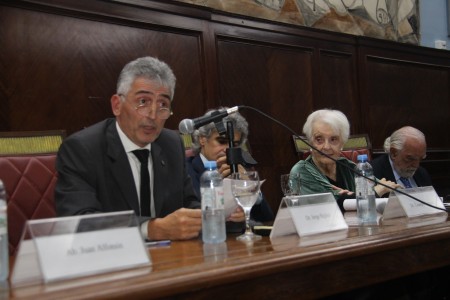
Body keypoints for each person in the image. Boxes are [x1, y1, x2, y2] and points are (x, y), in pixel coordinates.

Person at [55, 56, 202, 241]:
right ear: (117, 105)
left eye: (163, 104)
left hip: (170, 259)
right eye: (143, 102)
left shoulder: (171, 144)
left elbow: (189, 203)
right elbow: (78, 221)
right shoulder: (82, 149)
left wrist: (218, 213)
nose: (153, 114)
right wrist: (150, 229)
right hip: (109, 258)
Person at [289, 108, 399, 211]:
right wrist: (376, 191)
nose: (326, 147)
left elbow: (384, 188)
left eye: (333, 139)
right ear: (310, 142)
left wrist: (374, 192)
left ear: (342, 143)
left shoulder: (348, 166)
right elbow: (332, 206)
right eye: (319, 139)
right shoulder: (300, 172)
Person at [186, 108, 274, 230]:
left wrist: (248, 185)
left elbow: (266, 217)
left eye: (235, 144)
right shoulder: (185, 169)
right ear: (202, 139)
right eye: (222, 141)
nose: (228, 150)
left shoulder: (242, 167)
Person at [371, 126, 432, 197]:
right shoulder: (372, 173)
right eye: (410, 158)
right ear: (394, 153)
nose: (416, 165)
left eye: (420, 159)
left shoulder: (422, 173)